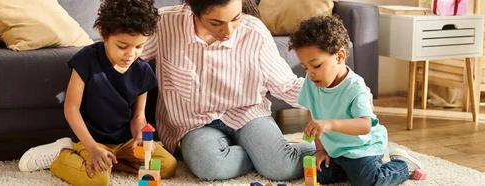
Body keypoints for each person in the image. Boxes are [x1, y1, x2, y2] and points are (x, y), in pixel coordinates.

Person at [138, 0, 316, 181]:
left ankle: (273, 155)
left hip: (247, 113)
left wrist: (335, 94)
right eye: (216, 23)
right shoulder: (165, 24)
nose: (229, 31)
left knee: (282, 168)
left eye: (236, 18)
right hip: (195, 123)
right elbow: (128, 60)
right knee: (209, 165)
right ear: (193, 10)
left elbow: (286, 85)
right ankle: (263, 155)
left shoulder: (254, 32)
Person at [17, 0, 176, 185]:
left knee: (168, 165)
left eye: (139, 47)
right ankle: (61, 155)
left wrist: (140, 135)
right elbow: (71, 109)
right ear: (103, 33)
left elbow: (138, 116)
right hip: (91, 140)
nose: (131, 54)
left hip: (123, 141)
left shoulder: (143, 71)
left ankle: (111, 163)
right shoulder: (86, 60)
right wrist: (92, 148)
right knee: (98, 181)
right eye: (122, 46)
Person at [290, 15, 423, 186]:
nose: (310, 72)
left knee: (366, 182)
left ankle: (404, 165)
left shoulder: (355, 87)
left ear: (339, 56)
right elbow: (313, 116)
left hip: (362, 149)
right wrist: (321, 150)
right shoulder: (311, 81)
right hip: (336, 150)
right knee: (317, 173)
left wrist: (330, 124)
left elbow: (365, 125)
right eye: (305, 67)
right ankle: (346, 169)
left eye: (315, 65)